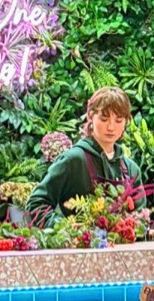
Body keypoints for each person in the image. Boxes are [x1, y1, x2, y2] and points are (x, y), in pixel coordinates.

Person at [26, 87, 143, 221]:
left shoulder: (131, 170)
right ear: (90, 116)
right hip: (82, 241)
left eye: (118, 120)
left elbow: (141, 217)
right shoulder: (73, 161)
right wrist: (66, 229)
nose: (111, 127)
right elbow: (35, 205)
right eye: (104, 119)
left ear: (126, 121)